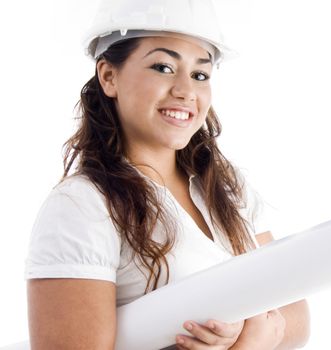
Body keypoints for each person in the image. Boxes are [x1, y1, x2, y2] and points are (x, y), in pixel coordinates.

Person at [24, 0, 310, 349]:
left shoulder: (226, 186)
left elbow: (296, 313)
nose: (186, 91)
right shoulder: (82, 206)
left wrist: (250, 332)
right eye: (162, 67)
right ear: (108, 76)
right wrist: (249, 341)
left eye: (200, 74)